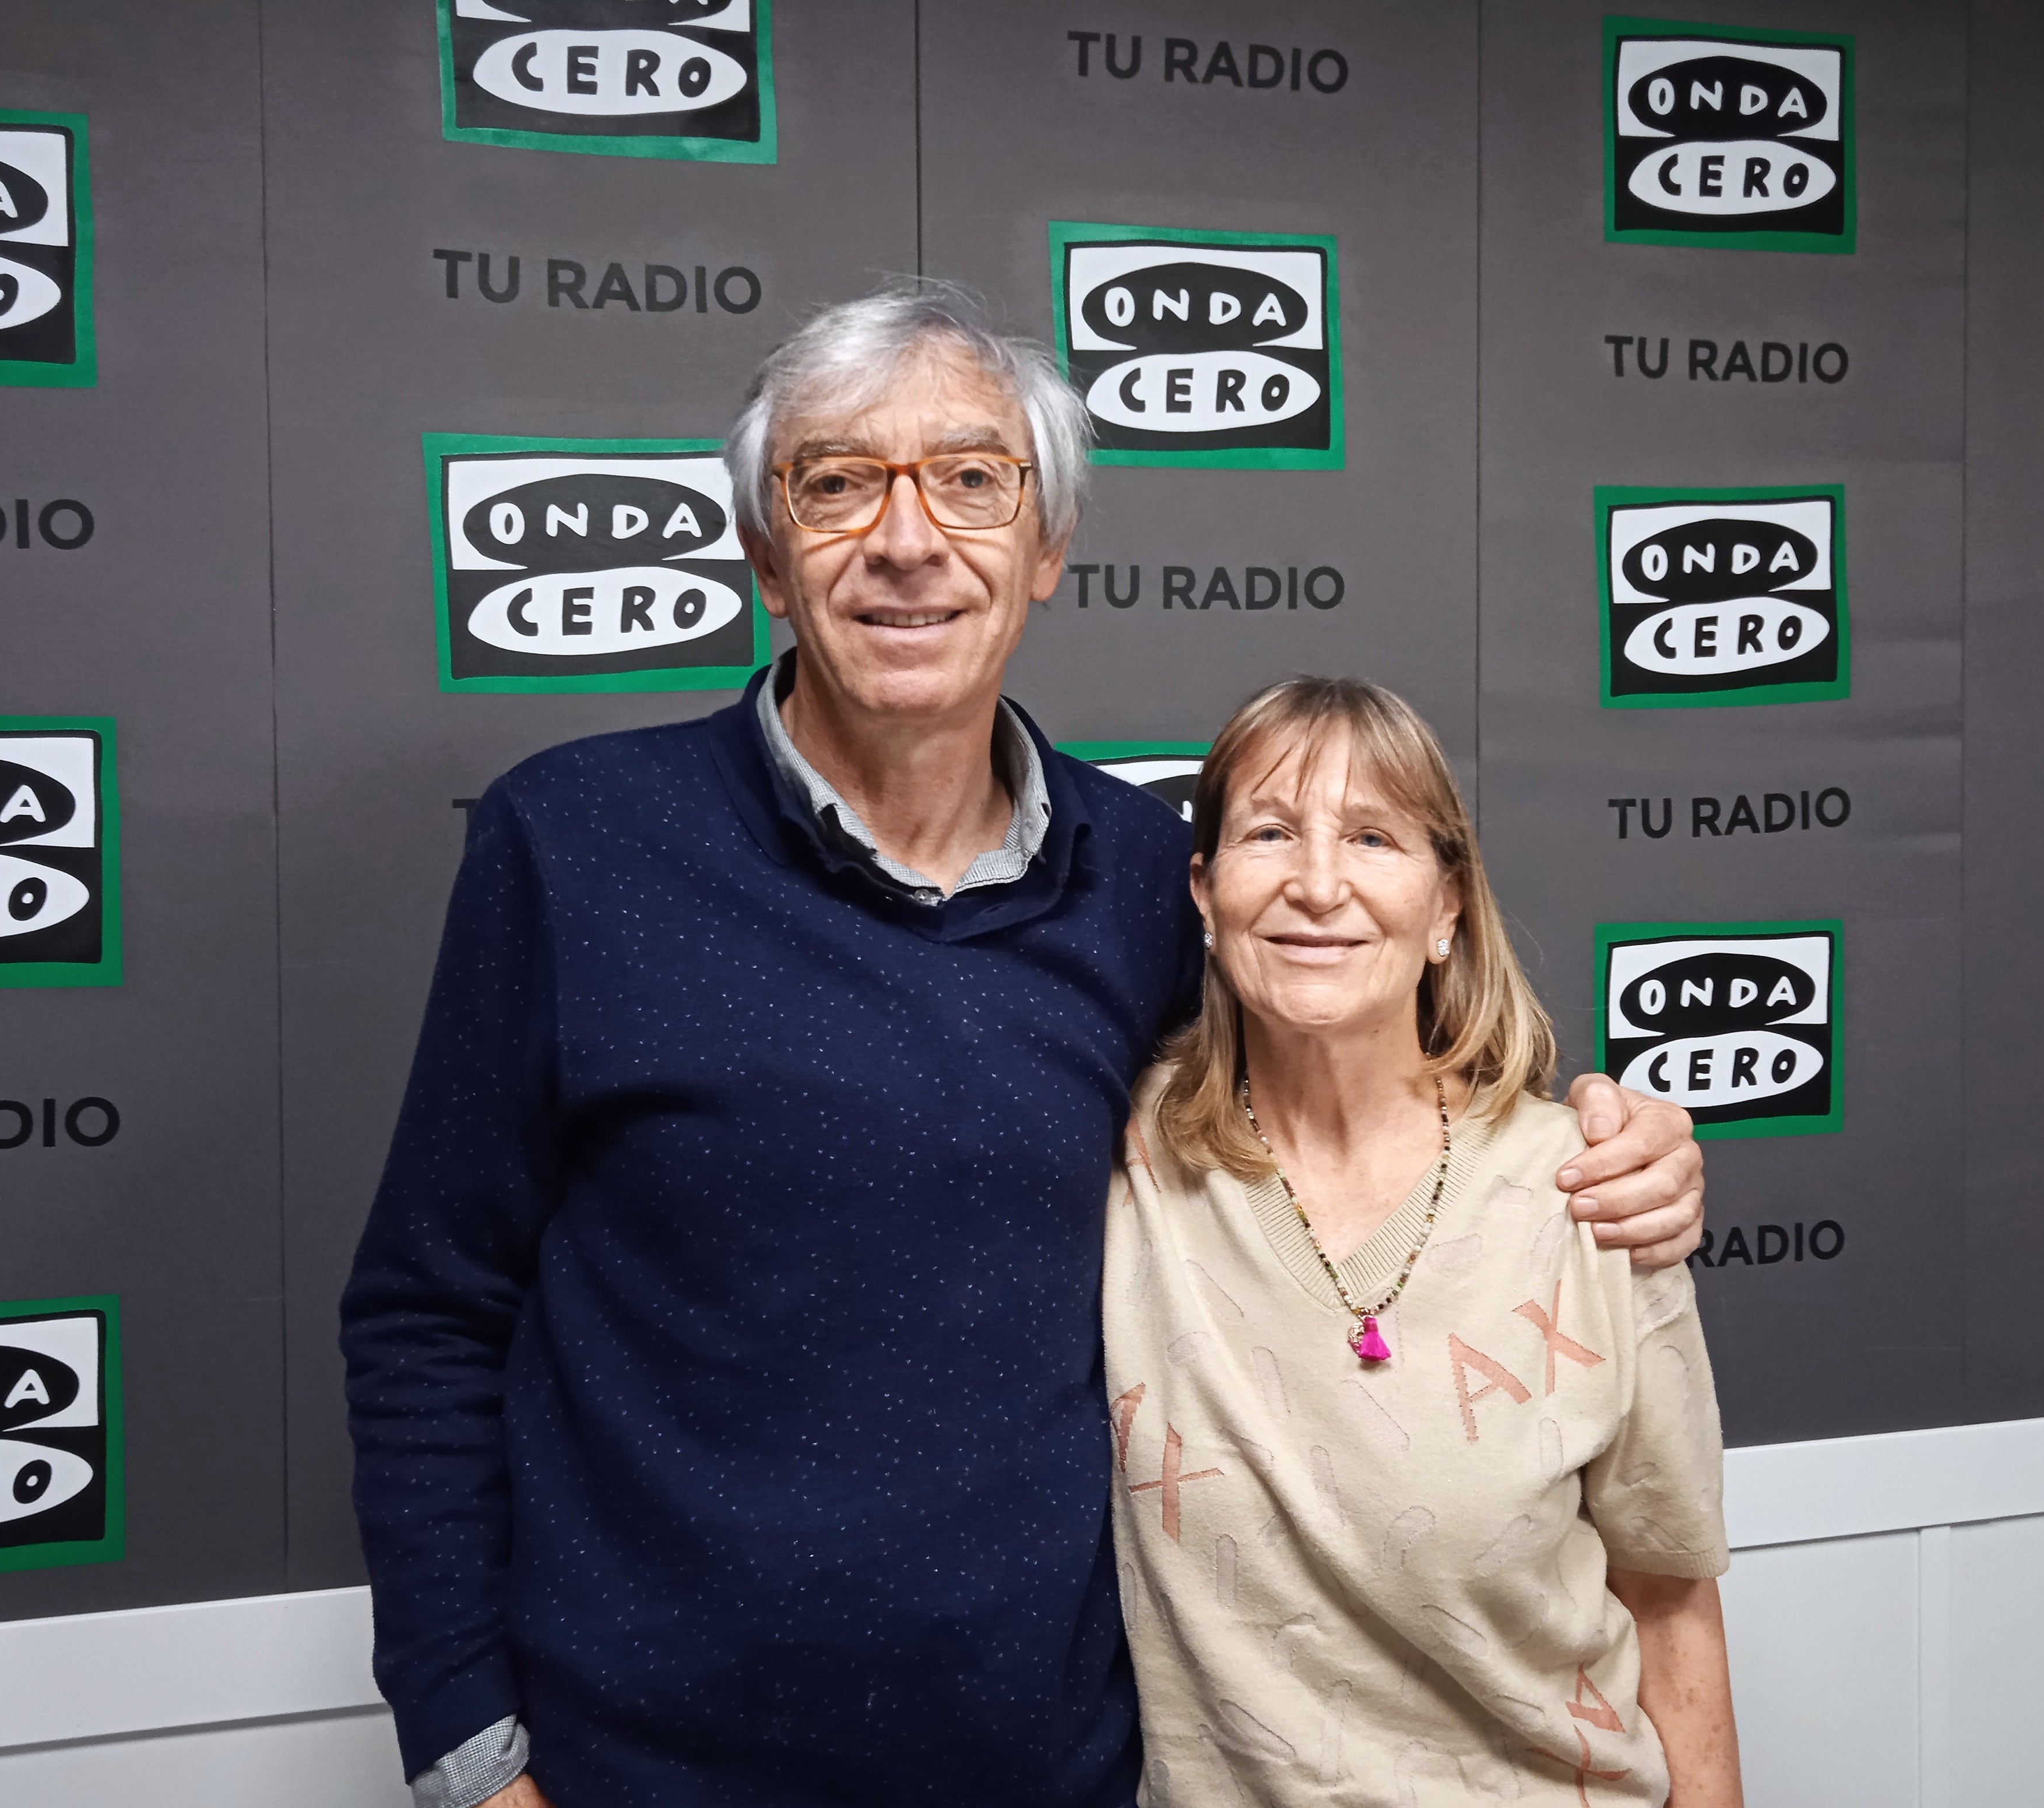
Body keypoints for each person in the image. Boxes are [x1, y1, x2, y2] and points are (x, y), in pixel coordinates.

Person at [341, 282, 1710, 1808]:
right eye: (839, 482)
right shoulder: (577, 845)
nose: (909, 540)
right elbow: (425, 1318)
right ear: (764, 556)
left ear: (1047, 550)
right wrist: (473, 1762)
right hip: (645, 1773)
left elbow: (1364, 1086)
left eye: (973, 481)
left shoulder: (1147, 881)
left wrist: (1608, 1131)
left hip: (1054, 1772)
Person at [1106, 676, 1739, 1807]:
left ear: (1448, 905)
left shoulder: (1593, 1190)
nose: (1315, 884)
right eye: (1267, 833)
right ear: (1204, 895)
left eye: (1370, 836)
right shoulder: (1122, 1166)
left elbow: (1668, 1593)